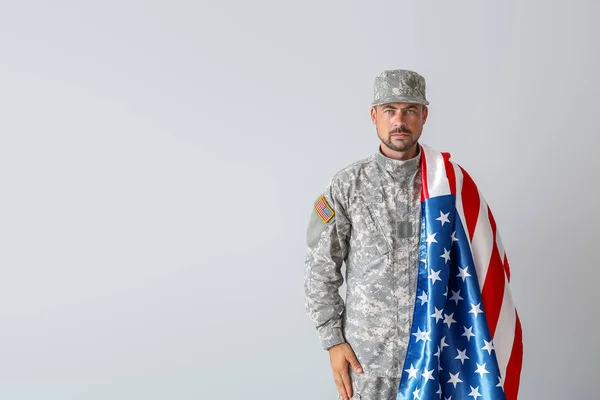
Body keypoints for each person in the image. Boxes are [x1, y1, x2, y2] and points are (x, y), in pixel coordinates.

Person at [303, 69, 522, 400]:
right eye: (390, 110)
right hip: (367, 360)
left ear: (424, 115)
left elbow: (482, 265)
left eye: (410, 110)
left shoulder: (450, 185)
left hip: (436, 353)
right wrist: (332, 339)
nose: (399, 121)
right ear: (374, 115)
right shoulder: (348, 186)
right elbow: (320, 269)